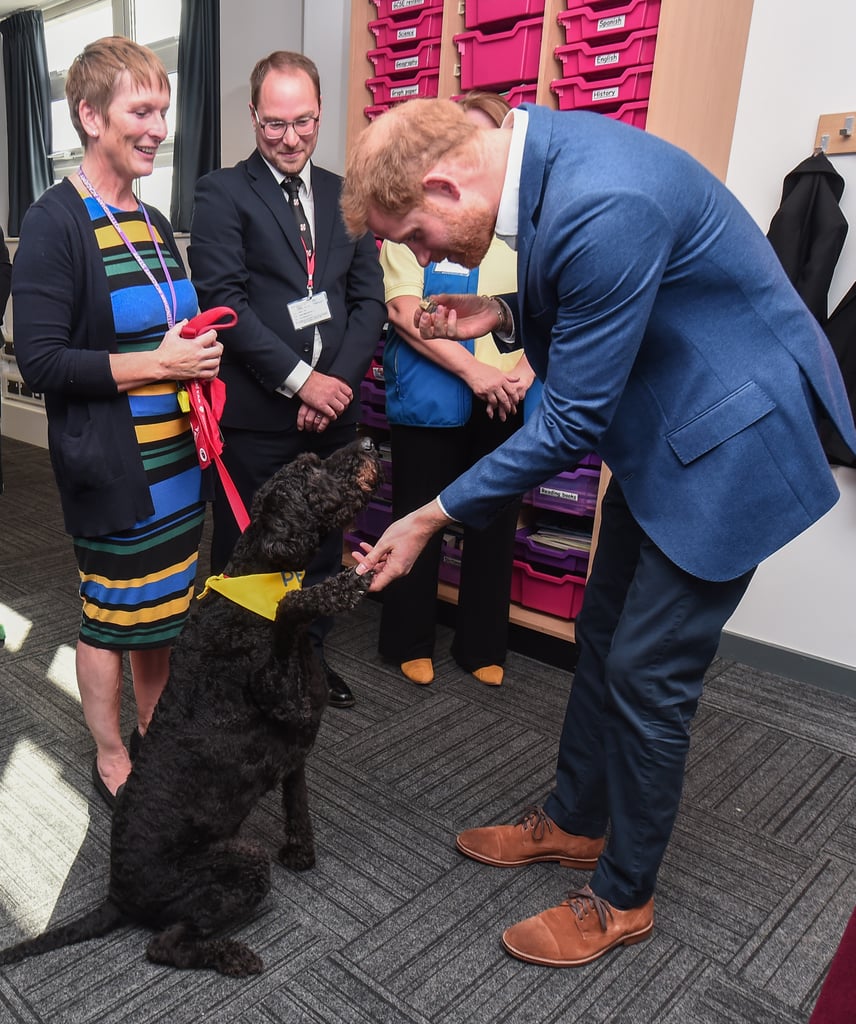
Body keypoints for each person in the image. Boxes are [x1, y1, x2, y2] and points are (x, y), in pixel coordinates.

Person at [340, 99, 856, 966]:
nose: (422, 259)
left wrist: (428, 516)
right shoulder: (542, 162)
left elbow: (568, 422)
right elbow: (599, 290)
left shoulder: (602, 198)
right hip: (665, 428)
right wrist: (498, 314)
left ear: (443, 181)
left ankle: (624, 897)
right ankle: (576, 823)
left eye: (419, 236)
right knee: (602, 636)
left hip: (733, 442)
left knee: (649, 674)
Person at [12, 37, 223, 809]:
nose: (158, 126)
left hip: (177, 466)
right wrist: (159, 366)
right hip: (112, 467)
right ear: (91, 115)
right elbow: (40, 361)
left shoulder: (156, 219)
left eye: (163, 110)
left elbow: (167, 322)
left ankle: (155, 739)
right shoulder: (54, 222)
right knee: (111, 616)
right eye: (142, 110)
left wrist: (192, 349)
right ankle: (111, 757)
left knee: (162, 613)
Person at [189, 51, 386, 710]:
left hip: (335, 412)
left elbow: (369, 303)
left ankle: (306, 660)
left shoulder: (344, 194)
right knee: (252, 551)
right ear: (252, 116)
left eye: (303, 121)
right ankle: (241, 675)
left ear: (320, 113)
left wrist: (334, 386)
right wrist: (303, 381)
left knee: (323, 550)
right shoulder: (221, 193)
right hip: (256, 419)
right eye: (274, 123)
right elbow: (225, 303)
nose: (290, 136)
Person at [378, 91, 534, 687]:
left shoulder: (523, 229)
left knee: (493, 523)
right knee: (418, 517)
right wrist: (478, 373)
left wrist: (522, 375)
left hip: (507, 400)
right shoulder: (412, 218)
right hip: (430, 400)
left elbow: (553, 310)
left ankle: (482, 644)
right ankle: (407, 639)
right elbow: (401, 312)